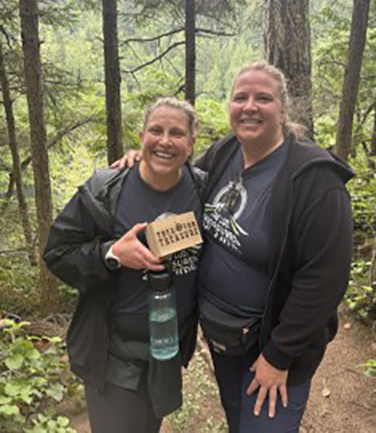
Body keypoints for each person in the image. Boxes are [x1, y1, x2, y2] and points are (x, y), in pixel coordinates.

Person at [113, 61, 354, 433]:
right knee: (237, 421)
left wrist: (278, 356)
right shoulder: (225, 152)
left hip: (273, 347)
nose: (249, 106)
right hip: (224, 339)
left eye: (263, 98)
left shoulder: (316, 180)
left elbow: (325, 279)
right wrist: (144, 161)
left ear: (283, 110)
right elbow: (184, 196)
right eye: (240, 97)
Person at [44, 98, 205, 433]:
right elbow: (58, 253)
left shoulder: (203, 188)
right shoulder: (105, 190)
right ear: (141, 136)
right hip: (114, 356)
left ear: (191, 144)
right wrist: (112, 254)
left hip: (167, 352)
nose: (165, 141)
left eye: (176, 133)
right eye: (156, 131)